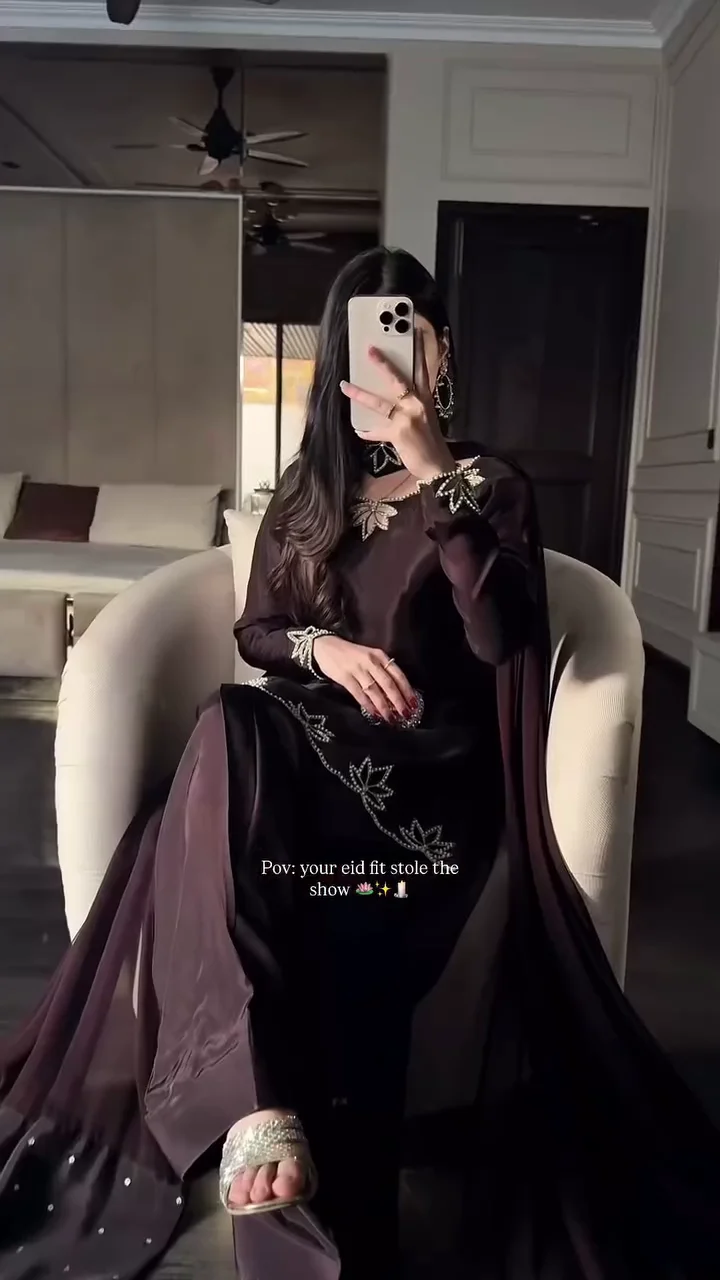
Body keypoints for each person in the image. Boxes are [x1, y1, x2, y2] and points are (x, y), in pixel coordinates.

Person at [0, 246, 719, 1280]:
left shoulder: (488, 484)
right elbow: (257, 632)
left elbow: (503, 635)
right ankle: (262, 1116)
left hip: (422, 784)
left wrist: (434, 472)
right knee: (232, 726)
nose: (388, 355)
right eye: (369, 337)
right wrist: (324, 648)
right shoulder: (308, 493)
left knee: (225, 767)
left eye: (410, 332)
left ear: (442, 351)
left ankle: (254, 1121)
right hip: (300, 758)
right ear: (339, 359)